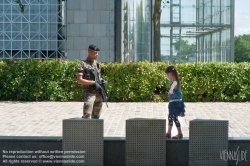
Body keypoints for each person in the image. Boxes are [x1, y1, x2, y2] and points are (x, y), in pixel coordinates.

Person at [75, 44, 106, 119]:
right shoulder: (82, 64)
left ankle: (95, 130)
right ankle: (85, 130)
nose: (97, 55)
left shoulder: (97, 64)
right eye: (95, 53)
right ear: (89, 52)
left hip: (98, 93)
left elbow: (98, 78)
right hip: (89, 93)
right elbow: (80, 80)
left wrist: (102, 81)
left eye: (97, 53)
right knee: (87, 115)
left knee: (96, 116)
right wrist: (93, 82)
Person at [165, 66, 185, 139]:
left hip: (175, 103)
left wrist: (170, 91)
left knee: (173, 117)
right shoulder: (175, 81)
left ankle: (177, 133)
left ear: (170, 74)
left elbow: (172, 87)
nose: (167, 77)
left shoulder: (175, 82)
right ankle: (170, 132)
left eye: (167, 75)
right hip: (174, 102)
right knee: (172, 117)